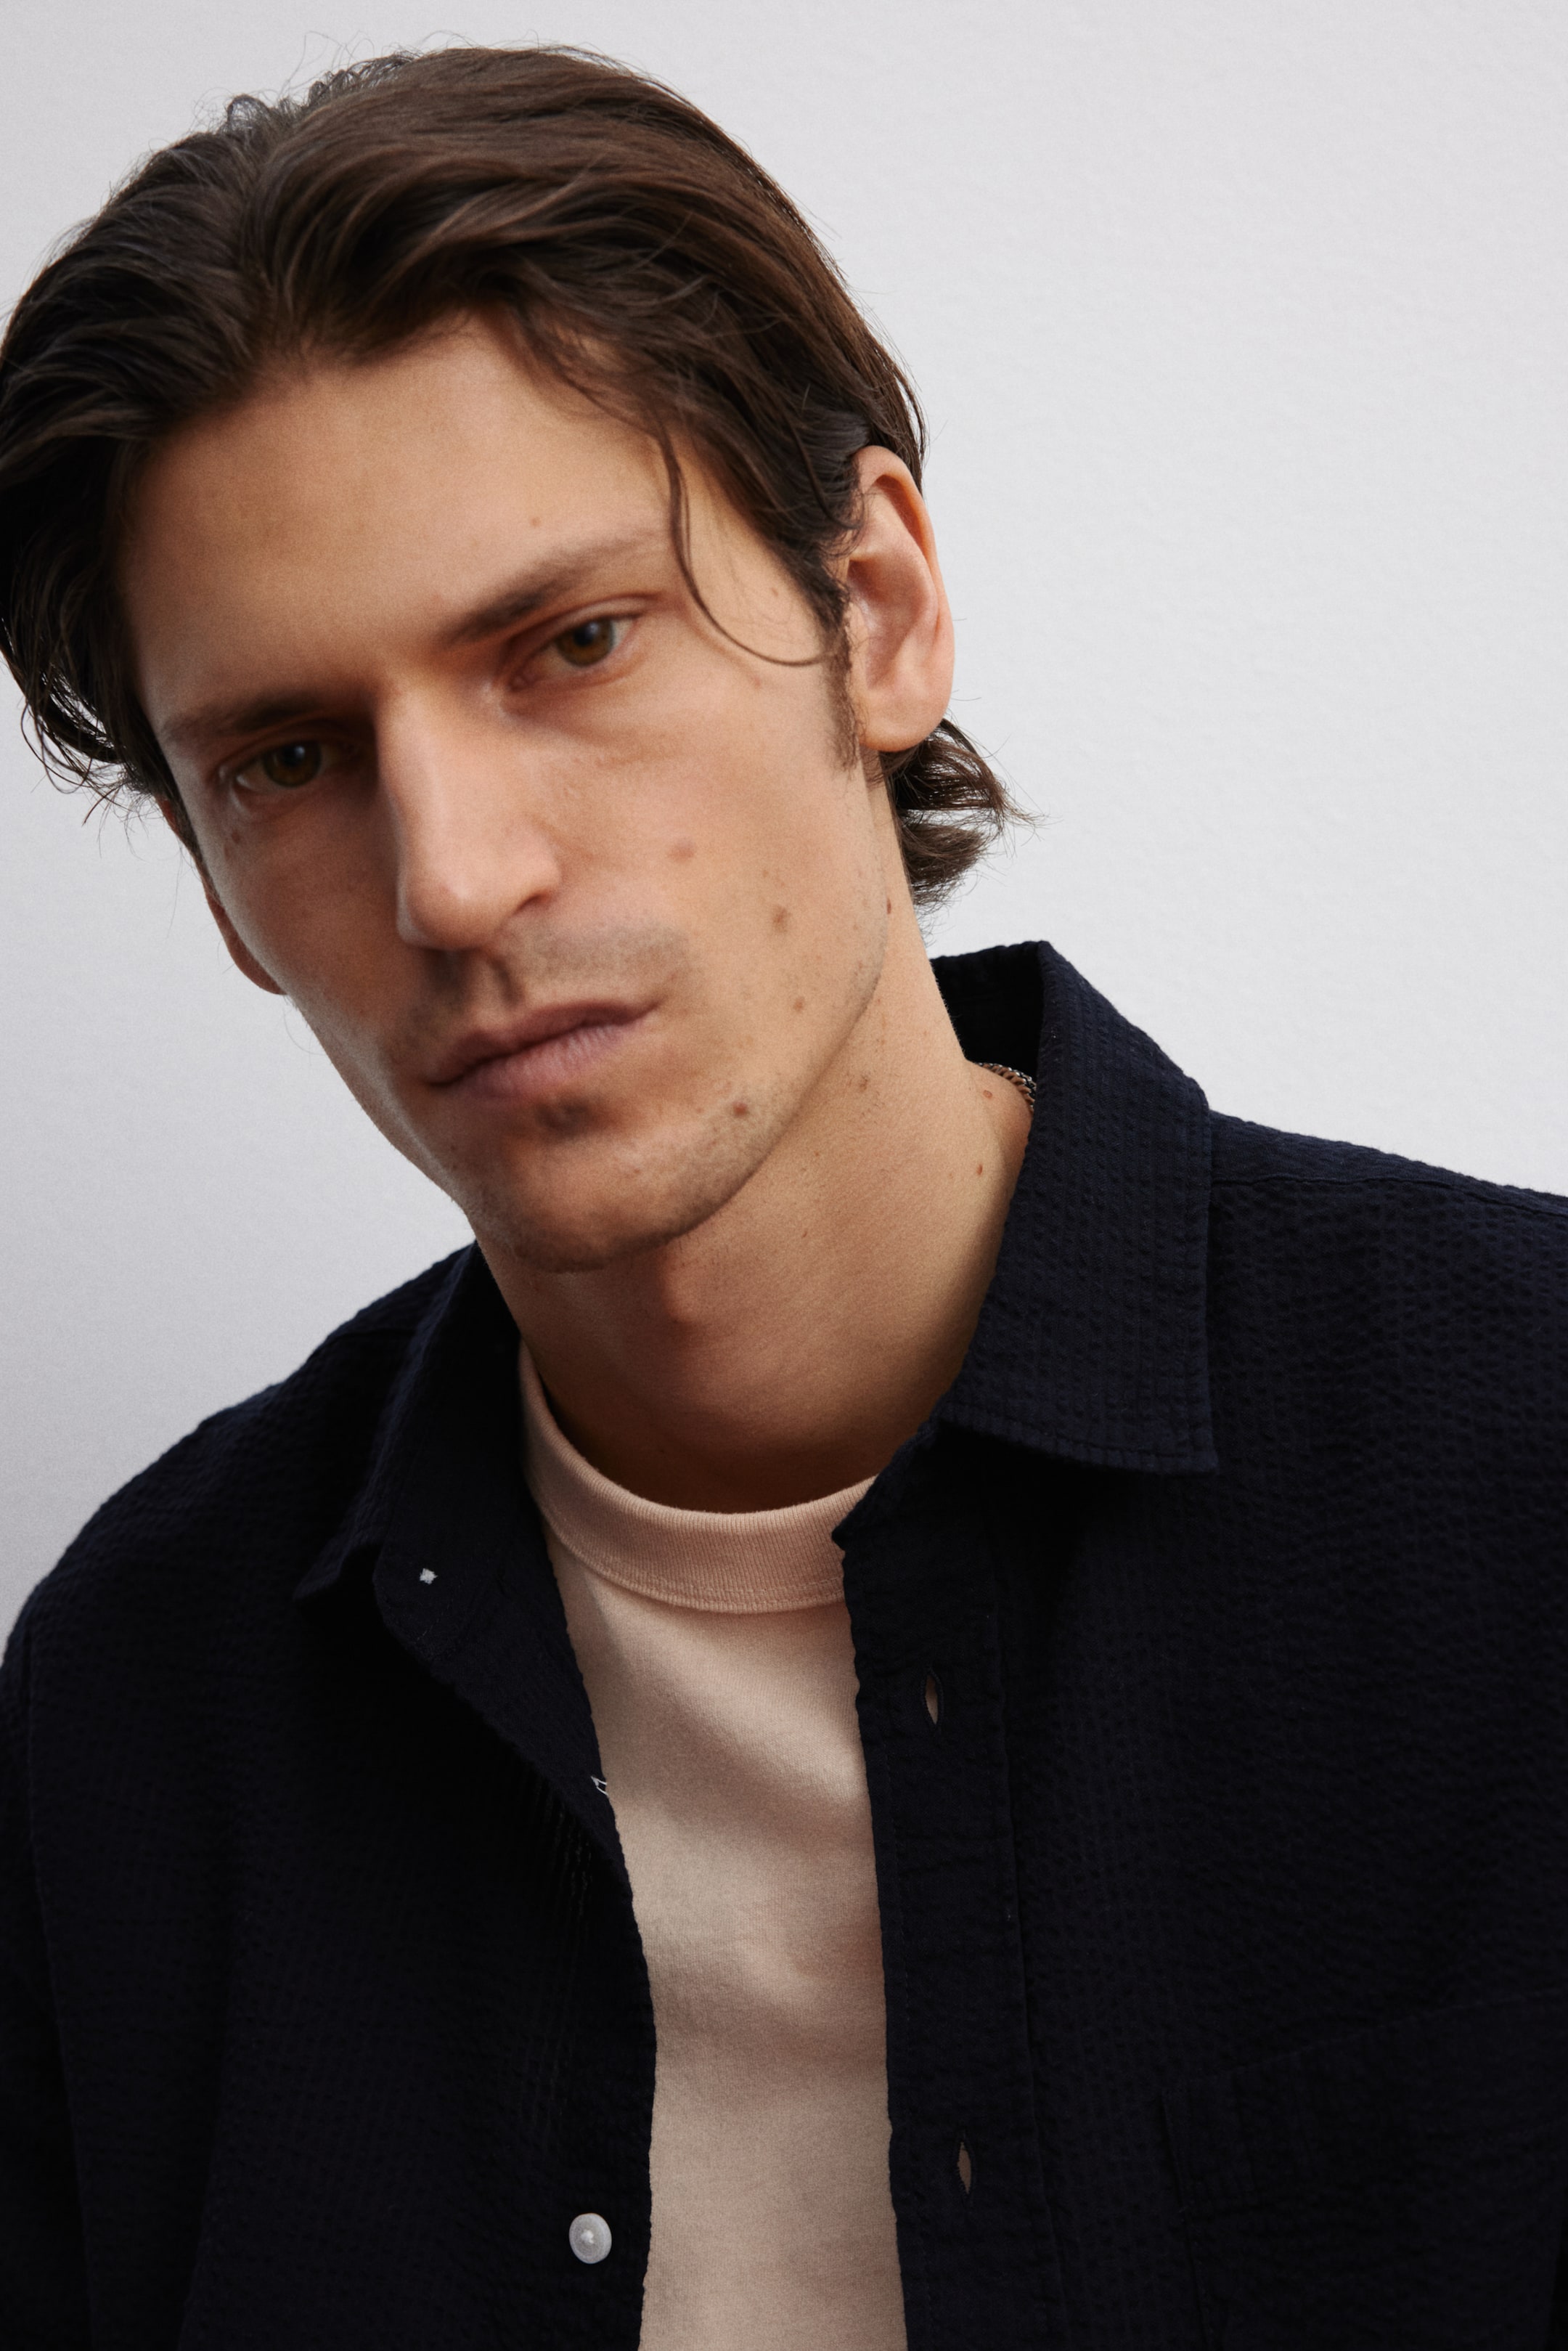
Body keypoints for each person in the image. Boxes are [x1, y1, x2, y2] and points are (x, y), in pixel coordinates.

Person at [1, 41, 1564, 2351]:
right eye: (291, 761)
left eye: (572, 644)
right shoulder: (140, 1712)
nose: (455, 880)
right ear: (218, 886)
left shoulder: (1522, 1472)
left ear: (882, 609)